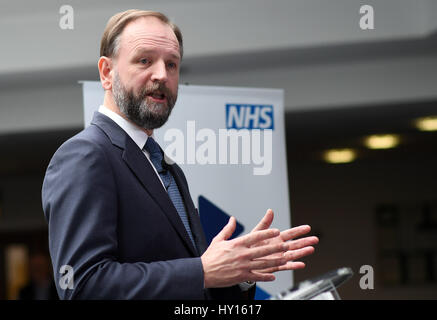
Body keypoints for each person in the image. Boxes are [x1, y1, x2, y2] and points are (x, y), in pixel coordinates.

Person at [41, 9, 319, 300]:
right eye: (145, 60)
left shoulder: (166, 167)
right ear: (107, 73)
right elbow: (83, 286)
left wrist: (239, 273)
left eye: (172, 64)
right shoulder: (84, 156)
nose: (162, 74)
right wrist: (202, 271)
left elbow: (194, 289)